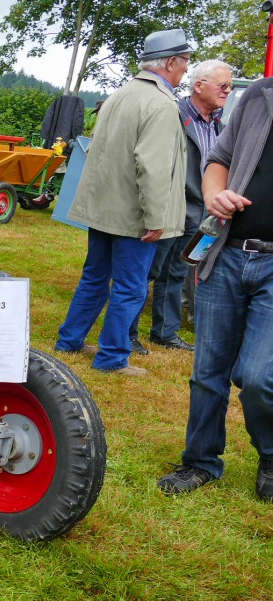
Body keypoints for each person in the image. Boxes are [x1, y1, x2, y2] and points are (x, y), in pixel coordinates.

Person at [157, 75, 273, 499]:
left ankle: (271, 456)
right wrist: (214, 194)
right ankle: (200, 461)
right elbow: (218, 159)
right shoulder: (260, 94)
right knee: (208, 372)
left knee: (259, 378)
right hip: (226, 253)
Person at [54, 29, 192, 376]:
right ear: (171, 62)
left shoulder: (119, 95)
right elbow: (154, 166)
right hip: (134, 213)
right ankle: (112, 357)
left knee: (94, 277)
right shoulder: (160, 103)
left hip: (104, 209)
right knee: (131, 287)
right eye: (185, 61)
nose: (186, 70)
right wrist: (156, 216)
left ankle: (69, 341)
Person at [130, 59, 231, 354]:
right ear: (199, 86)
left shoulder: (219, 124)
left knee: (179, 271)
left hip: (202, 211)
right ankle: (128, 334)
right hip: (174, 205)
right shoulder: (173, 114)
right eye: (222, 85)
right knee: (148, 271)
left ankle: (165, 332)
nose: (227, 91)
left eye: (230, 86)